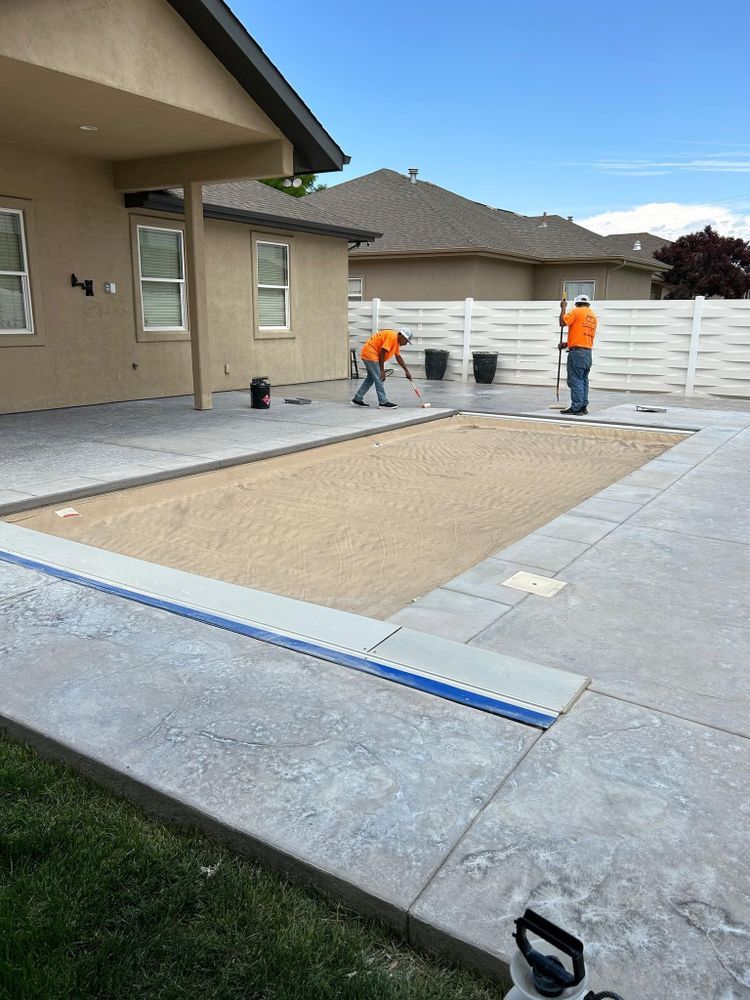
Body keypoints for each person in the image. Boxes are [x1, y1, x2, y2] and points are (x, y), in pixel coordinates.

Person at [353, 327, 414, 408]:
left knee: (370, 378)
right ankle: (383, 402)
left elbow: (398, 357)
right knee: (379, 377)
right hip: (370, 353)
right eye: (406, 341)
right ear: (402, 336)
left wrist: (406, 371)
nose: (406, 343)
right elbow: (382, 353)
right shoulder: (392, 337)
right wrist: (382, 371)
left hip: (369, 354)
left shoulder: (396, 342)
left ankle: (357, 398)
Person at [559, 294, 597, 414]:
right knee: (583, 380)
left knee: (575, 380)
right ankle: (583, 406)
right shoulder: (593, 316)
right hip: (587, 352)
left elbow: (562, 322)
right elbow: (581, 335)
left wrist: (563, 308)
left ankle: (576, 407)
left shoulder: (576, 311)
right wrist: (567, 344)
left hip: (577, 354)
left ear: (577, 303)